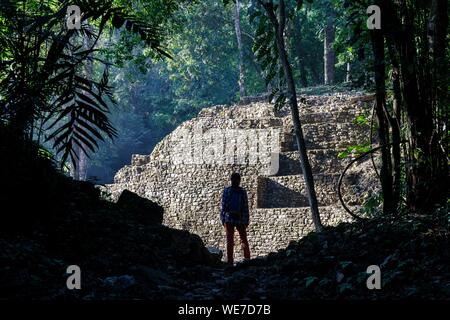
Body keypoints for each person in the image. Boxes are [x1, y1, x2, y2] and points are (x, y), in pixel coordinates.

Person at [220, 172, 250, 265]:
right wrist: (246, 220)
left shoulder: (227, 190)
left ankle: (230, 262)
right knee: (243, 239)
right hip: (239, 218)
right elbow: (245, 206)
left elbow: (223, 206)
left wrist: (223, 219)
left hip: (229, 218)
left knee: (230, 241)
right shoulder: (242, 191)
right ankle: (247, 259)